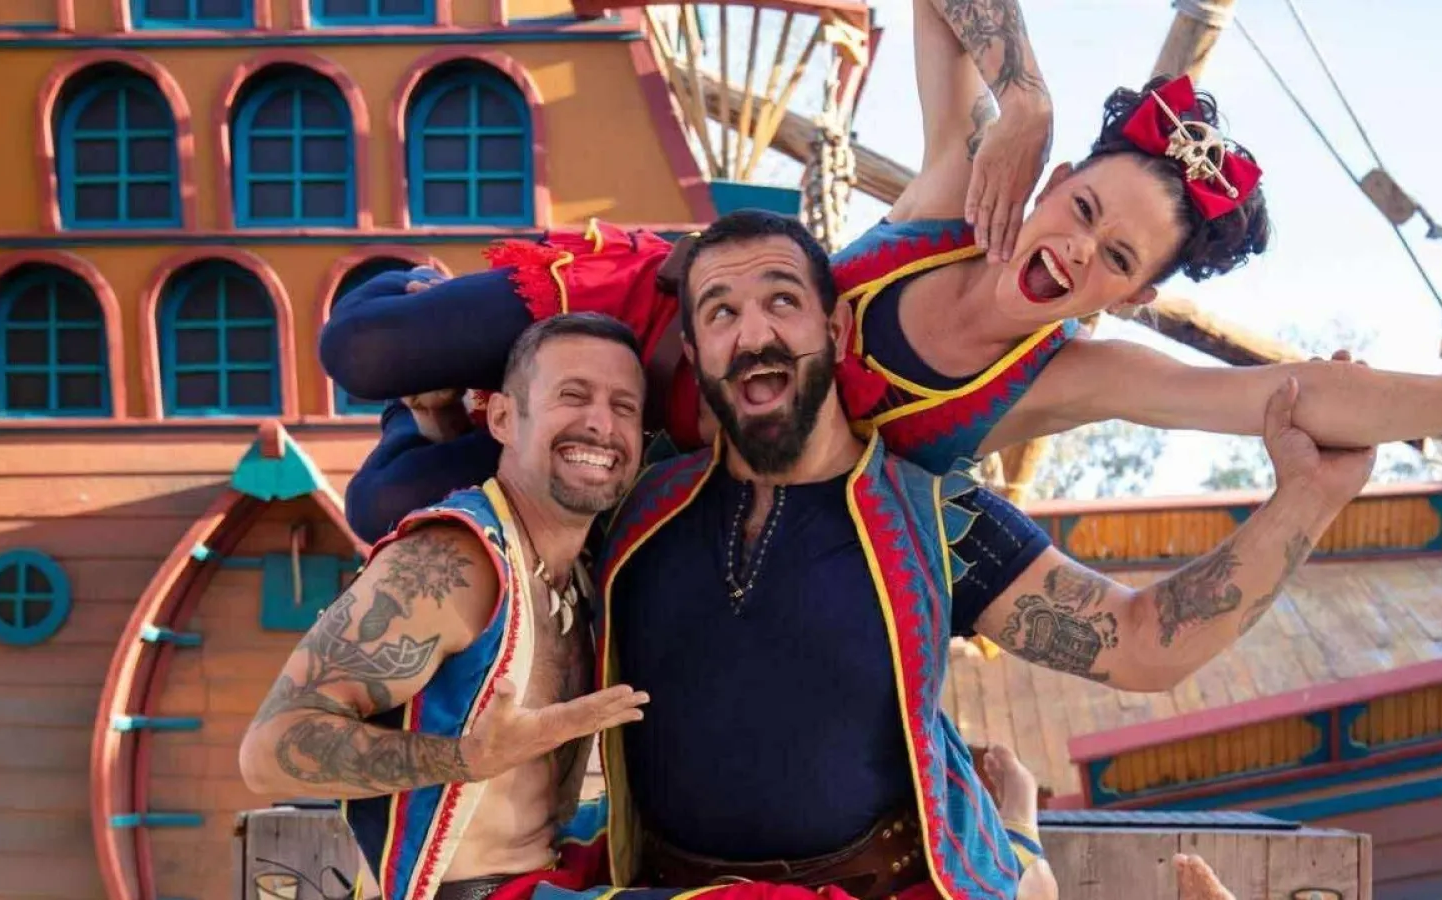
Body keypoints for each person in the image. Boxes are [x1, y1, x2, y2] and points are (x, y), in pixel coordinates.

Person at [321, 0, 1442, 545]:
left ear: (1133, 294)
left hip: (661, 449)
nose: (1073, 249)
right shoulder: (949, 201)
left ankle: (444, 416)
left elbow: (1302, 394)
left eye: (1114, 257)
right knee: (361, 347)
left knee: (394, 507)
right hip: (655, 315)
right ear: (1054, 180)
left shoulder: (1062, 381)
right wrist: (1021, 94)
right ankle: (430, 314)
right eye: (1081, 209)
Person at [556, 212, 1373, 900]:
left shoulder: (936, 520)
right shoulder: (630, 504)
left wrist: (1309, 498)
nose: (754, 334)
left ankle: (1017, 843)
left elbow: (1140, 643)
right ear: (696, 351)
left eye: (782, 301)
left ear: (835, 329)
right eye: (720, 313)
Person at [238, 314, 655, 900]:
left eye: (624, 406)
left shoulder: (580, 568)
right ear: (503, 419)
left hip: (552, 876)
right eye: (572, 395)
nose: (600, 423)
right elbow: (266, 753)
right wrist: (467, 757)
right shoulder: (452, 562)